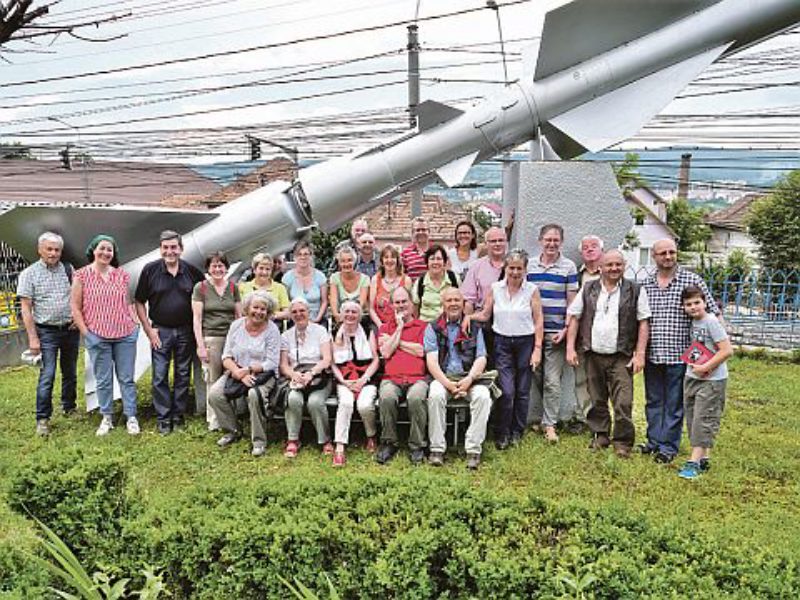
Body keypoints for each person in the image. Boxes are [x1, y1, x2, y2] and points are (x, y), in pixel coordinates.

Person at [566, 250, 650, 458]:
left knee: (623, 400)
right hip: (593, 354)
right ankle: (600, 434)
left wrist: (640, 354)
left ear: (624, 266)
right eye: (609, 265)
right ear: (601, 267)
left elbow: (643, 322)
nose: (614, 268)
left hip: (621, 355)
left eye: (618, 265)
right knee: (597, 398)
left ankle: (622, 442)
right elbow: (575, 317)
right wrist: (570, 347)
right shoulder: (588, 288)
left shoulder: (635, 290)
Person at [642, 238, 720, 464]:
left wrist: (712, 349)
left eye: (672, 252)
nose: (668, 257)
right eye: (663, 253)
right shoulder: (646, 284)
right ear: (654, 257)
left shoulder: (692, 280)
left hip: (682, 356)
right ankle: (653, 441)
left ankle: (668, 446)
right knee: (653, 400)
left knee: (675, 403)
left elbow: (712, 313)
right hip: (653, 354)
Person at [471, 249, 543, 449]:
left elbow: (538, 321)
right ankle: (502, 432)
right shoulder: (496, 288)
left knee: (522, 391)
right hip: (502, 343)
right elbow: (485, 314)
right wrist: (467, 317)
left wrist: (537, 348)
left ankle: (517, 431)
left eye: (519, 268)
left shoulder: (532, 290)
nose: (515, 272)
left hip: (525, 342)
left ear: (525, 269)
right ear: (506, 268)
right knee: (507, 391)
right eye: (511, 268)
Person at [135, 230, 204, 435]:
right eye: (165, 247)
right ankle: (164, 418)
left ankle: (178, 415)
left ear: (181, 249)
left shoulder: (191, 271)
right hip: (161, 331)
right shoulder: (150, 270)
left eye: (173, 247)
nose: (170, 251)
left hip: (185, 331)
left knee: (183, 374)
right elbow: (139, 301)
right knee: (160, 375)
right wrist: (148, 330)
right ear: (160, 249)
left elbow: (204, 295)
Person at [71, 235, 140, 436]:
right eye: (102, 248)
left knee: (126, 378)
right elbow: (75, 308)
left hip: (125, 334)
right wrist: (87, 333)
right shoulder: (81, 275)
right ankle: (107, 417)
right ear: (93, 250)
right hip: (97, 335)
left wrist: (135, 324)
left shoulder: (121, 275)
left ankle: (131, 416)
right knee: (103, 379)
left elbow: (128, 303)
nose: (105, 253)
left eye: (110, 250)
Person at [17, 232, 79, 436]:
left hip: (69, 330)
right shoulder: (29, 274)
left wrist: (77, 320)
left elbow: (79, 296)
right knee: (48, 375)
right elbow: (26, 309)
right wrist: (33, 338)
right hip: (46, 332)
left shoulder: (69, 270)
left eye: (57, 250)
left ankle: (69, 406)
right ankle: (42, 419)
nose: (53, 253)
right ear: (39, 250)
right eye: (49, 249)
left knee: (70, 372)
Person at [424, 288, 492, 470]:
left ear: (463, 304)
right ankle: (437, 449)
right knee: (436, 395)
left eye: (457, 300)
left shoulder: (475, 327)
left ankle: (473, 450)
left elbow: (481, 358)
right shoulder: (433, 327)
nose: (453, 303)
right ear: (443, 305)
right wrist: (448, 384)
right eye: (449, 300)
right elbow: (431, 362)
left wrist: (469, 379)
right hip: (443, 377)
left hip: (469, 377)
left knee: (483, 396)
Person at [208, 290, 281, 456]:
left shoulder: (272, 330)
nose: (259, 312)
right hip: (237, 370)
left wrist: (248, 370)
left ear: (268, 312)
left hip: (263, 374)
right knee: (214, 394)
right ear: (248, 308)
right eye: (256, 307)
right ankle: (232, 430)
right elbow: (226, 356)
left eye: (263, 309)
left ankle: (259, 441)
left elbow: (272, 362)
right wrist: (237, 372)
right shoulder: (236, 326)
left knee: (255, 395)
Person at [526, 224, 578, 443]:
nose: (551, 244)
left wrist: (566, 330)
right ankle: (544, 417)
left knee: (552, 381)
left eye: (556, 240)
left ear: (561, 242)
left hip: (556, 333)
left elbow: (572, 303)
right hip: (530, 333)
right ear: (540, 240)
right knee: (537, 376)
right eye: (548, 239)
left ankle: (550, 425)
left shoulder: (568, 267)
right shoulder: (529, 266)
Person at [677, 285, 733, 480]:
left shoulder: (711, 322)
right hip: (693, 377)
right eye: (688, 304)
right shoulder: (694, 322)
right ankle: (704, 458)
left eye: (697, 303)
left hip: (712, 380)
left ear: (705, 302)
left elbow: (726, 350)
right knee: (693, 418)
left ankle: (692, 463)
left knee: (704, 418)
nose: (693, 307)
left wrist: (706, 366)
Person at [376, 286, 429, 465]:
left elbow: (421, 351)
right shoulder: (385, 327)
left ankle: (417, 446)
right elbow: (385, 353)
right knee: (387, 397)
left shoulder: (423, 326)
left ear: (412, 303)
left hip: (417, 378)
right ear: (392, 305)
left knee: (416, 398)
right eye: (397, 302)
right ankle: (389, 443)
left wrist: (396, 342)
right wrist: (399, 328)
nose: (401, 305)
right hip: (392, 378)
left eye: (404, 301)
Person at [192, 252, 242, 432]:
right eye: (214, 266)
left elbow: (239, 315)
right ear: (208, 268)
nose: (218, 269)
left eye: (221, 265)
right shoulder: (201, 288)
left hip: (231, 338)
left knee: (231, 376)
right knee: (212, 378)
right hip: (211, 338)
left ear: (226, 268)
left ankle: (231, 415)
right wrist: (200, 346)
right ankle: (213, 419)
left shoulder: (233, 287)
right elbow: (197, 319)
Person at [279, 297, 333, 457]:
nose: (298, 314)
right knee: (293, 399)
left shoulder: (320, 331)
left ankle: (325, 440)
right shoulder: (286, 336)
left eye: (302, 311)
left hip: (319, 376)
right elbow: (283, 365)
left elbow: (327, 359)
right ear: (290, 315)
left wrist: (312, 373)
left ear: (309, 312)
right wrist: (293, 375)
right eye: (294, 312)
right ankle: (293, 440)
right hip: (296, 377)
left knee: (315, 402)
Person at [330, 300, 381, 466]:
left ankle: (371, 435)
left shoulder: (367, 331)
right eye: (347, 312)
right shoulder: (334, 332)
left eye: (354, 312)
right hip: (344, 378)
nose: (350, 315)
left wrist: (364, 378)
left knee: (364, 405)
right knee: (345, 403)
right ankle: (339, 448)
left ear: (359, 316)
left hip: (366, 377)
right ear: (342, 314)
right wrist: (344, 381)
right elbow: (332, 363)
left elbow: (375, 360)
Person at [570, 234, 605, 434]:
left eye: (594, 246)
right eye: (585, 247)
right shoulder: (577, 275)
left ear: (601, 250)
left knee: (601, 380)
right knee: (581, 379)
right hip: (582, 336)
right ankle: (585, 419)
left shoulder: (610, 272)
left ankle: (602, 418)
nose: (589, 249)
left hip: (605, 335)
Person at [282, 240, 328, 325]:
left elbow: (324, 301)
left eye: (306, 254)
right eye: (299, 254)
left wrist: (317, 319)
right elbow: (285, 302)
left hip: (317, 320)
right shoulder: (287, 278)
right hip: (295, 320)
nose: (303, 257)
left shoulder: (320, 276)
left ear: (311, 256)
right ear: (294, 257)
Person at [369, 244, 412, 331]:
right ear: (382, 260)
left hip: (401, 325)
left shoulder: (406, 280)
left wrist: (400, 325)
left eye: (393, 257)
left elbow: (410, 307)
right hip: (380, 325)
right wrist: (381, 326)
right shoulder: (375, 280)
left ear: (397, 260)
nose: (389, 260)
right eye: (386, 257)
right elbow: (371, 309)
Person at [411, 244, 458, 322]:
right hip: (425, 326)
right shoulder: (420, 282)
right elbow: (415, 308)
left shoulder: (454, 278)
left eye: (439, 259)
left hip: (449, 325)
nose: (435, 262)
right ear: (427, 262)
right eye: (432, 259)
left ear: (444, 262)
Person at [238, 253, 290, 321]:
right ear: (254, 270)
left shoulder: (280, 288)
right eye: (261, 268)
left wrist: (271, 315)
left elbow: (287, 313)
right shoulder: (243, 287)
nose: (264, 272)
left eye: (268, 269)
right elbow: (241, 311)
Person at [328, 245, 370, 325]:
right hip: (341, 318)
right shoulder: (334, 278)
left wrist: (351, 317)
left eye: (349, 260)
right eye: (343, 261)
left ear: (354, 261)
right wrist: (337, 315)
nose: (346, 264)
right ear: (339, 262)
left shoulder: (365, 279)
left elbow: (361, 302)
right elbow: (334, 300)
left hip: (359, 317)